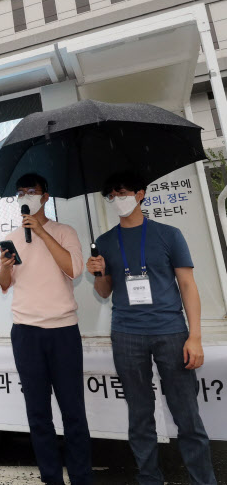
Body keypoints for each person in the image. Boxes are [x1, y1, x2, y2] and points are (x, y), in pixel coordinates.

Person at [87, 171, 216, 485]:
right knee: (140, 414)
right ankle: (149, 478)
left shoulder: (169, 235)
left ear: (140, 194)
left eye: (124, 192)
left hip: (171, 331)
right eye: (112, 195)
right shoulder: (104, 242)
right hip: (127, 334)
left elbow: (187, 285)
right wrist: (99, 273)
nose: (118, 200)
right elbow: (104, 292)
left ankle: (203, 480)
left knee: (187, 415)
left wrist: (195, 336)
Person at [0, 173, 92, 485]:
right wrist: (4, 269)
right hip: (25, 333)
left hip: (63, 331)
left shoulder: (64, 231)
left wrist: (41, 232)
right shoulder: (11, 237)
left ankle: (81, 478)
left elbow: (74, 269)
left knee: (73, 412)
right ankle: (51, 478)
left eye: (32, 191)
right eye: (21, 192)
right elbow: (4, 285)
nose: (26, 196)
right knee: (38, 415)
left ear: (45, 197)